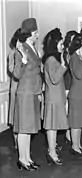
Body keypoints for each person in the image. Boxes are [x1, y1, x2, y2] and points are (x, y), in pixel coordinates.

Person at [13, 18, 42, 171]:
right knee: (23, 128)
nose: (38, 35)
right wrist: (23, 59)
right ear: (30, 33)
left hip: (33, 92)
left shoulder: (32, 47)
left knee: (29, 127)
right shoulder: (21, 48)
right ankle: (21, 159)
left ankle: (28, 158)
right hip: (24, 93)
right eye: (36, 32)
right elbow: (17, 74)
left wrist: (39, 92)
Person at [42, 28, 68, 165]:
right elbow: (54, 78)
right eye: (61, 43)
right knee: (52, 126)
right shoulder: (51, 60)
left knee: (54, 126)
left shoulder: (52, 59)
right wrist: (63, 65)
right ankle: (51, 152)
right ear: (55, 44)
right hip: (53, 97)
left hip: (56, 96)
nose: (62, 46)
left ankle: (52, 150)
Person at [68, 33, 82, 157]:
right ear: (80, 43)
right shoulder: (74, 57)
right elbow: (78, 74)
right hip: (76, 94)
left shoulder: (80, 57)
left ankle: (78, 145)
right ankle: (74, 146)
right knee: (75, 123)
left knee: (80, 121)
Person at [7, 28, 22, 150]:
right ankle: (17, 143)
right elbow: (12, 70)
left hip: (26, 87)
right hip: (17, 87)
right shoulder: (13, 53)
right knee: (15, 115)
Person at [63, 30, 77, 143]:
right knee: (67, 111)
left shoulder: (76, 53)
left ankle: (72, 133)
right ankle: (67, 134)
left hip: (74, 84)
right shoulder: (65, 53)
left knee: (73, 111)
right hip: (66, 84)